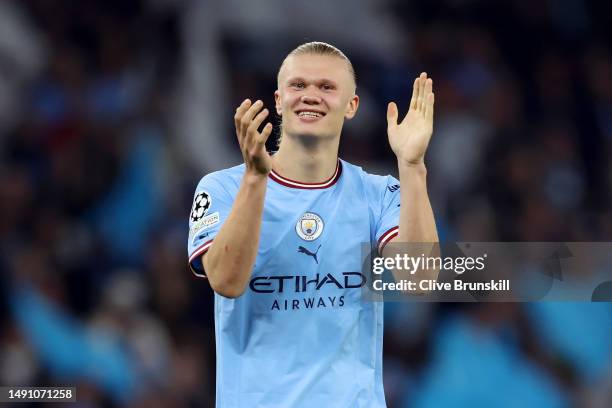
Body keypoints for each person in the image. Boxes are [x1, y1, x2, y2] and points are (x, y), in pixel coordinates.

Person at [187, 41, 438, 407]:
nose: (311, 96)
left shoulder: (378, 193)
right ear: (278, 100)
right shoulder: (222, 188)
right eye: (298, 85)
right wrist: (256, 179)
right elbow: (225, 281)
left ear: (352, 105)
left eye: (327, 87)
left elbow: (420, 280)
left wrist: (413, 167)